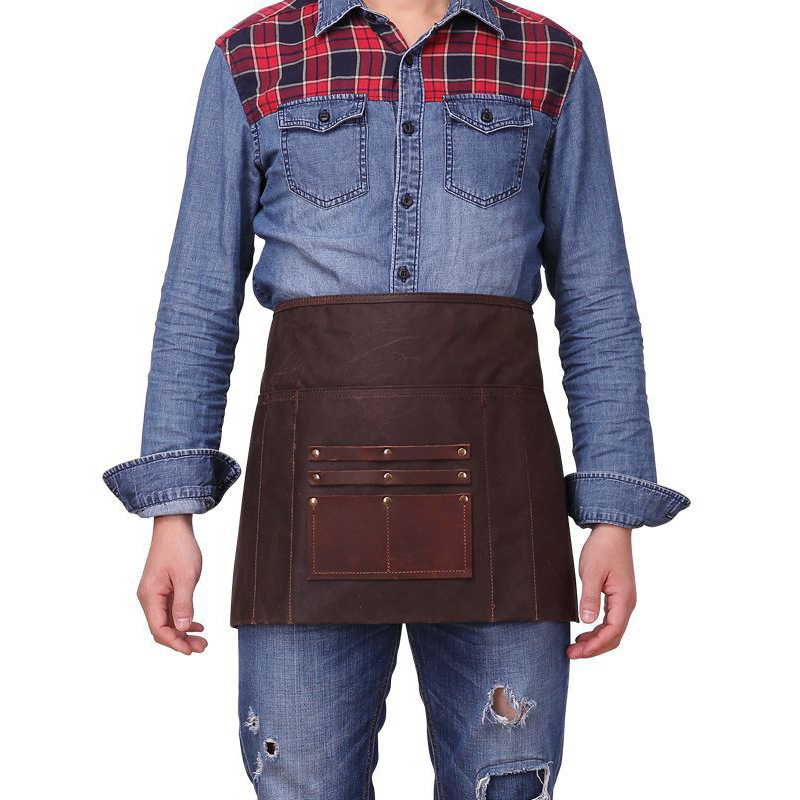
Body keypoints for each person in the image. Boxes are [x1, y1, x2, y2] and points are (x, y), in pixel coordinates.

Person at [102, 0, 690, 796]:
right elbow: (198, 298)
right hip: (307, 496)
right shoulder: (253, 56)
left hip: (502, 501)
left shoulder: (549, 59)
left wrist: (613, 517)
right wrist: (171, 514)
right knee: (302, 785)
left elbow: (599, 302)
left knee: (506, 784)